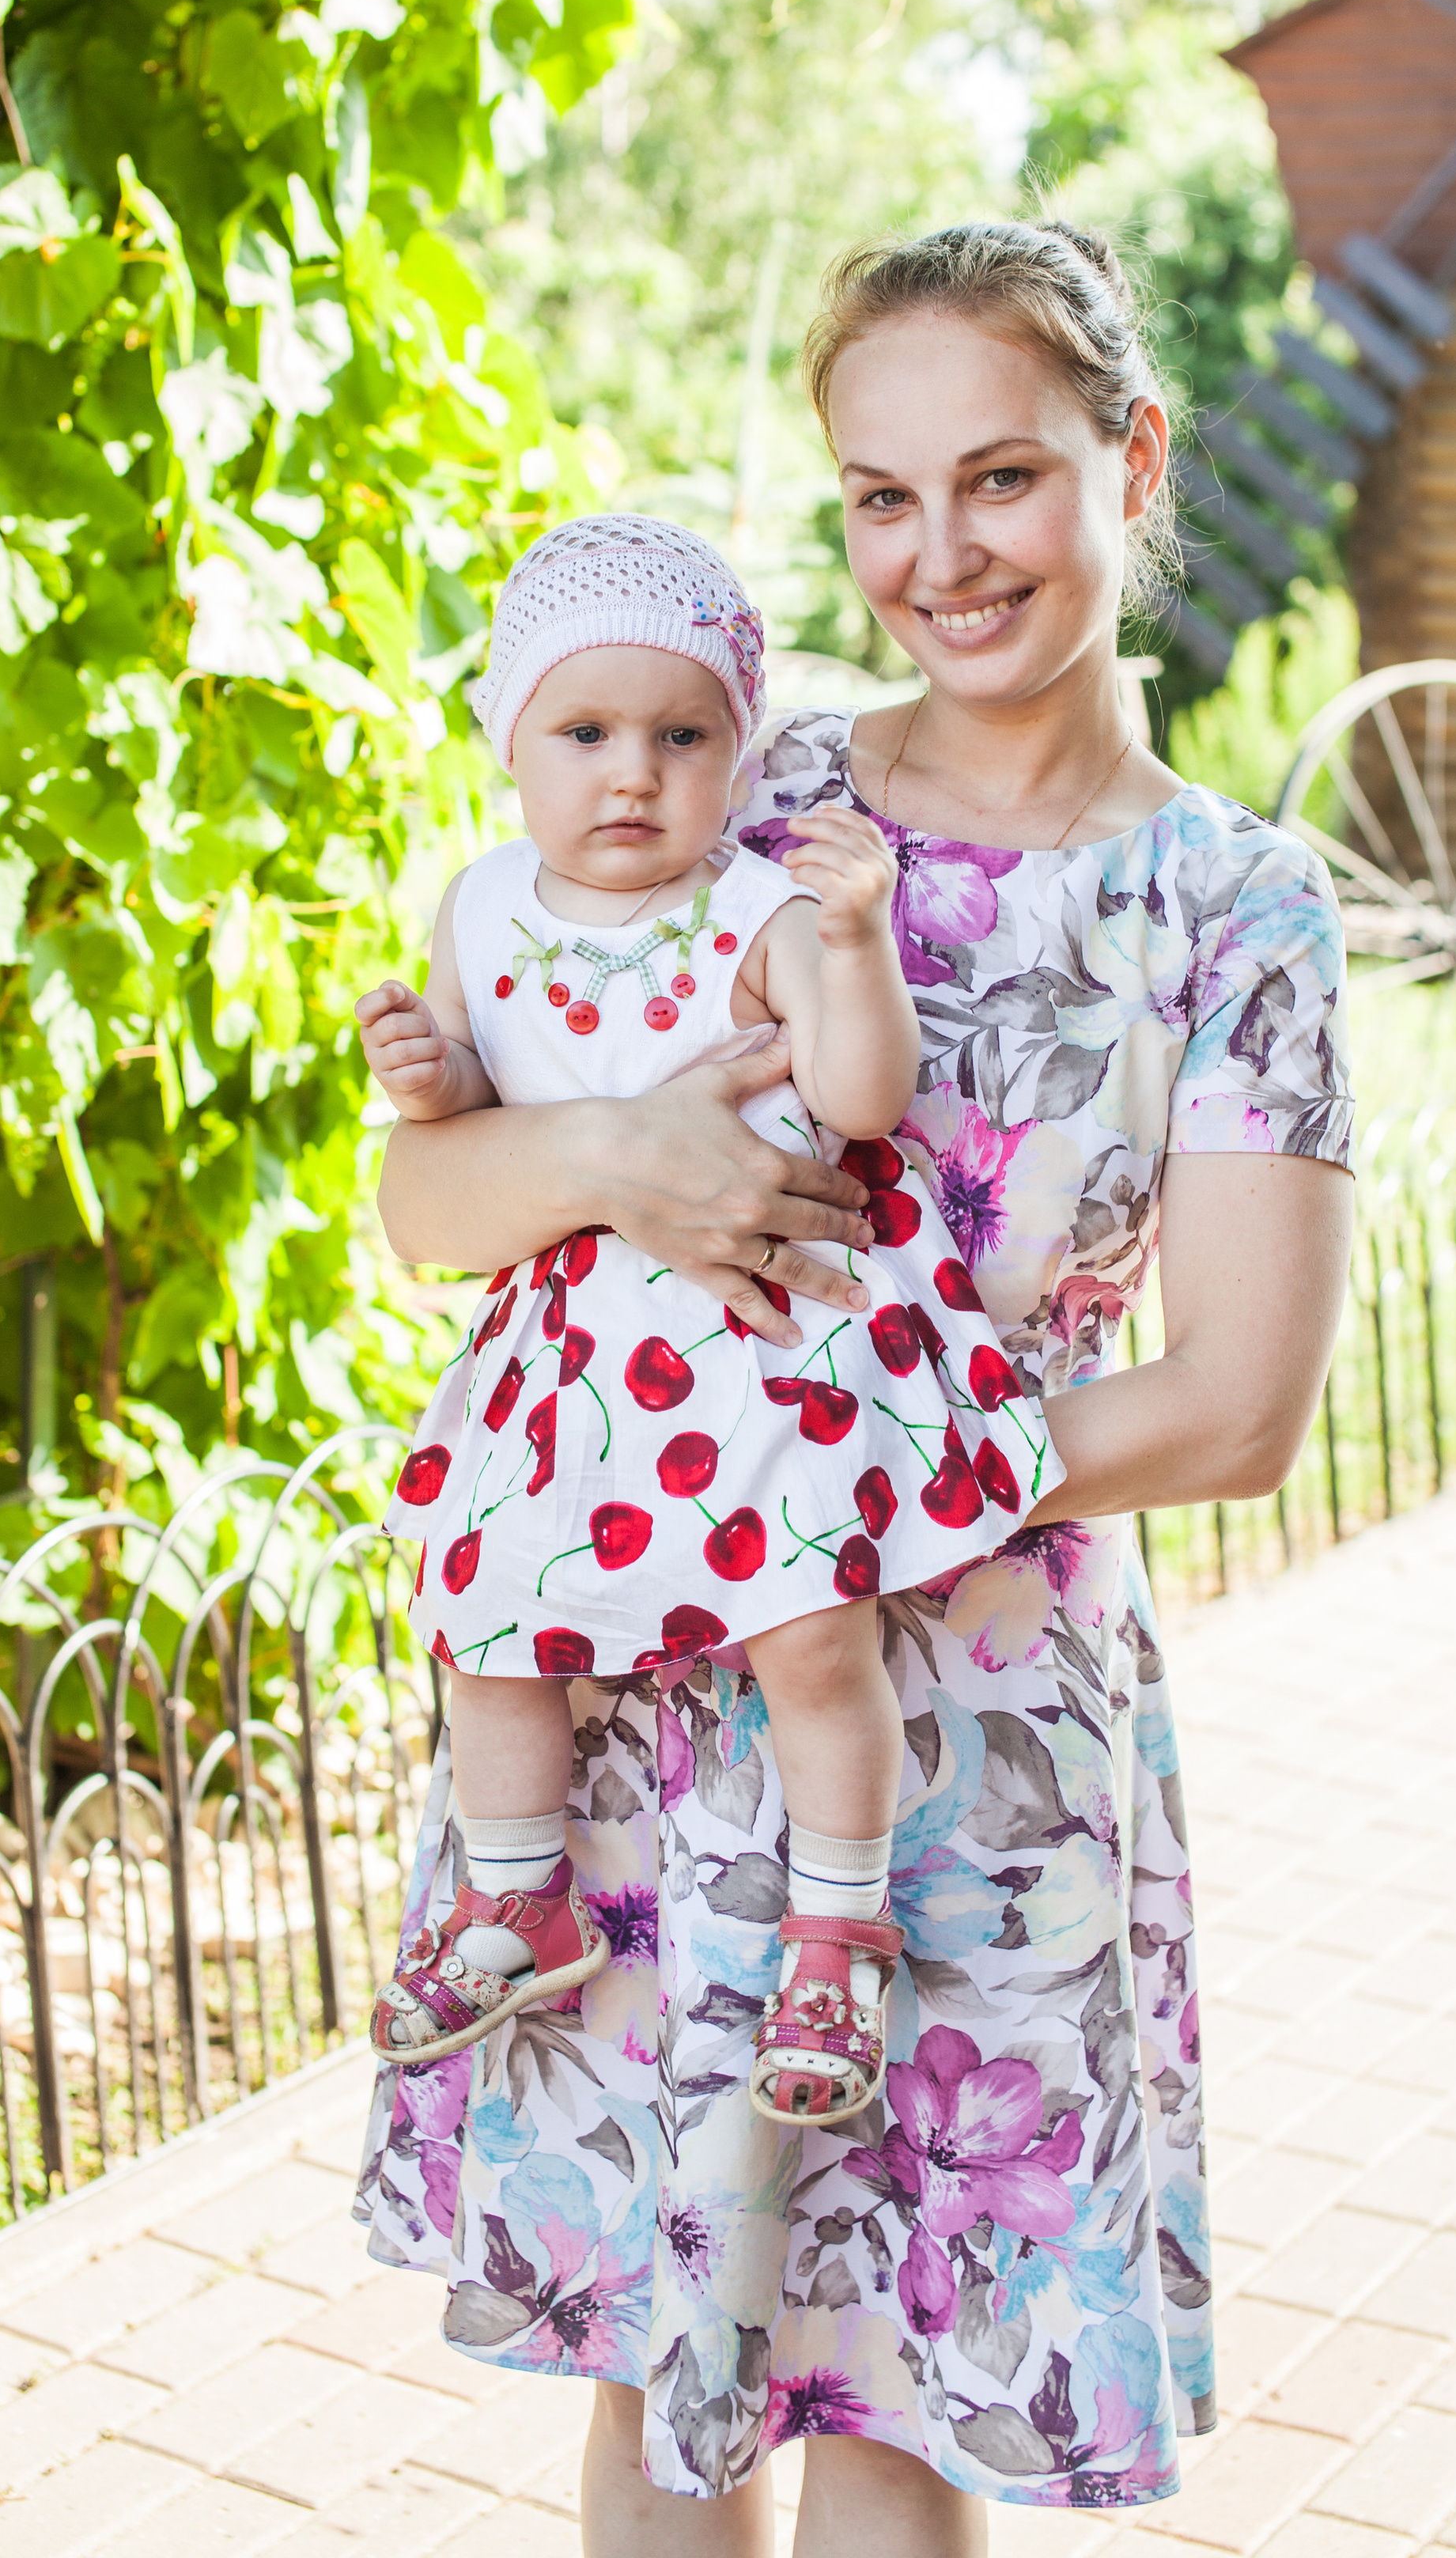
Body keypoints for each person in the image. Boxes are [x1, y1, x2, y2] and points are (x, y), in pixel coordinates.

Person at [355, 220, 1355, 2558]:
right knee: (663, 2368)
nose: (939, 557)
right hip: (651, 1673)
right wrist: (616, 1156)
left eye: (999, 481)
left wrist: (835, 1490)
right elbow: (434, 1214)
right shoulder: (729, 782)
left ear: (1136, 456)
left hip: (976, 1734)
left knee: (899, 2385)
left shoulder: (1236, 909)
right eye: (878, 499)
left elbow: (1234, 1407)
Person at [355, 517, 1058, 2121]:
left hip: (754, 1344)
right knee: (484, 1611)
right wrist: (428, 1075)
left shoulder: (750, 908)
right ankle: (514, 1895)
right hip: (576, 1359)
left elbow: (861, 1098)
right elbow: (472, 1117)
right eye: (584, 733)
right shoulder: (478, 910)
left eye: (681, 737)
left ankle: (836, 1930)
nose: (632, 774)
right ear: (509, 744)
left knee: (809, 1624)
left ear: (734, 753)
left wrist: (852, 941)